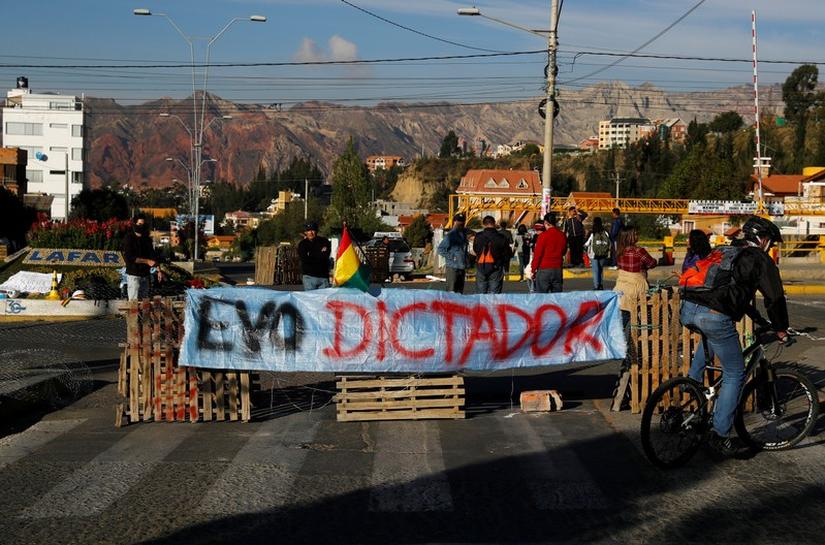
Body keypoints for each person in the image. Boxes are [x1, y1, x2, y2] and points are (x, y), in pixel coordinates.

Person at [680, 216, 788, 455]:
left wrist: (758, 319)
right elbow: (775, 297)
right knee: (735, 373)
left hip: (688, 307)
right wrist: (781, 328)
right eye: (770, 241)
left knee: (709, 336)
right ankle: (720, 434)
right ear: (762, 239)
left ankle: (692, 386)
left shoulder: (725, 250)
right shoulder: (759, 258)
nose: (770, 246)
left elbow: (730, 291)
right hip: (712, 314)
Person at [611, 225, 657, 410]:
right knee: (637, 325)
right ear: (632, 236)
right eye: (636, 233)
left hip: (621, 289)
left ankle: (621, 344)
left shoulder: (620, 251)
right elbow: (652, 263)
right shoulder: (639, 252)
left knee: (622, 321)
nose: (638, 235)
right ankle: (632, 346)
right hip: (637, 291)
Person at [122, 213, 158, 301]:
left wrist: (158, 268)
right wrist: (147, 261)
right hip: (134, 274)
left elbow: (152, 254)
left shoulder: (146, 239)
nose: (141, 227)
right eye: (139, 224)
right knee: (134, 302)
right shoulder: (129, 238)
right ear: (134, 224)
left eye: (143, 224)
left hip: (145, 275)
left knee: (145, 301)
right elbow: (129, 257)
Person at [473, 215, 511, 294]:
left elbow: (475, 249)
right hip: (496, 267)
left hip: (481, 266)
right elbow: (506, 253)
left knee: (481, 293)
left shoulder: (478, 236)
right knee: (494, 294)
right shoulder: (501, 237)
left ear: (483, 224)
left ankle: (482, 306)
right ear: (494, 223)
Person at [530, 213, 567, 293]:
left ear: (546, 223)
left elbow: (538, 255)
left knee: (542, 297)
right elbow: (564, 251)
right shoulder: (562, 235)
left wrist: (533, 270)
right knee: (557, 298)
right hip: (557, 269)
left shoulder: (543, 236)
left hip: (544, 269)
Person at [437, 213, 469, 294]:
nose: (461, 223)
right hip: (452, 267)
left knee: (459, 293)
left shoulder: (464, 234)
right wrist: (452, 257)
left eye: (462, 221)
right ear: (454, 222)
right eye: (459, 221)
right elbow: (441, 249)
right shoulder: (451, 235)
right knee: (451, 292)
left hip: (462, 267)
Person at [297, 221, 331, 290]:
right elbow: (305, 259)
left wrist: (311, 254)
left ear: (316, 231)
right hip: (309, 278)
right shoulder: (302, 244)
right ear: (305, 232)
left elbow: (326, 255)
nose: (311, 233)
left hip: (323, 278)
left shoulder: (324, 241)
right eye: (308, 230)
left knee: (324, 300)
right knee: (310, 299)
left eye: (313, 230)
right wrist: (320, 253)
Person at [583, 217, 611, 290]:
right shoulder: (605, 232)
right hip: (603, 254)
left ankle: (596, 286)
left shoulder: (592, 232)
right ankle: (601, 285)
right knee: (601, 269)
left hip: (593, 254)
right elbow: (609, 242)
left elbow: (586, 243)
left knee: (595, 270)